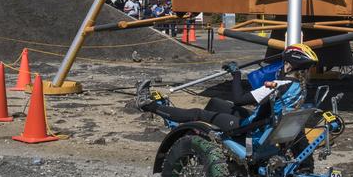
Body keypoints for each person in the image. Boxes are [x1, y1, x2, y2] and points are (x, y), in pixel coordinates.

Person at [135, 42, 318, 134]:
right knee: (215, 103)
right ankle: (202, 133)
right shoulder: (299, 87)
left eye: (284, 61)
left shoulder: (277, 85)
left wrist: (236, 74)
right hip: (266, 122)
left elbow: (238, 99)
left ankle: (147, 105)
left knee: (198, 113)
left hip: (250, 128)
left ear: (289, 65)